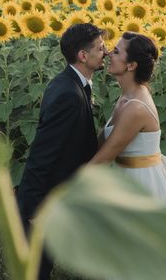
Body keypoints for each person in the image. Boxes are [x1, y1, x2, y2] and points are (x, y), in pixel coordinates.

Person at [16, 22, 107, 280]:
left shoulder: (72, 85)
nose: (106, 52)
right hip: (43, 204)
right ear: (83, 55)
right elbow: (42, 154)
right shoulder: (69, 93)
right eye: (101, 48)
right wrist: (32, 209)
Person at [89, 32, 166, 204]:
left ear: (131, 65)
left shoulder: (136, 108)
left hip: (141, 185)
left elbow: (104, 158)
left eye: (116, 52)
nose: (108, 53)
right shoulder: (128, 96)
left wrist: (65, 190)